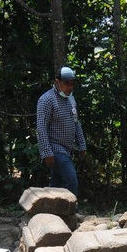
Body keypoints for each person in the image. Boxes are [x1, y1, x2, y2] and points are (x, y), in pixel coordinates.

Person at [36, 66, 87, 197]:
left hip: (67, 149)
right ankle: (71, 212)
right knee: (71, 180)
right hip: (55, 148)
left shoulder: (71, 99)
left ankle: (48, 213)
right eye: (66, 83)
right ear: (57, 82)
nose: (70, 87)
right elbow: (41, 128)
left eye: (72, 83)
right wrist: (46, 153)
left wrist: (82, 146)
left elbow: (76, 123)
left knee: (56, 184)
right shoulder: (46, 100)